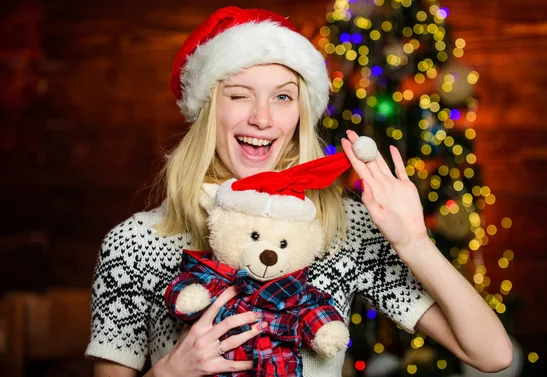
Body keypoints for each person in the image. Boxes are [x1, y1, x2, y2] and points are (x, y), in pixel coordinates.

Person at [85, 5, 513, 377]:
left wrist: (416, 243)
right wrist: (169, 372)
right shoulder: (136, 243)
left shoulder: (344, 229)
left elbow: (490, 355)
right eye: (239, 96)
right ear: (208, 112)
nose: (262, 118)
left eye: (283, 98)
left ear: (300, 115)